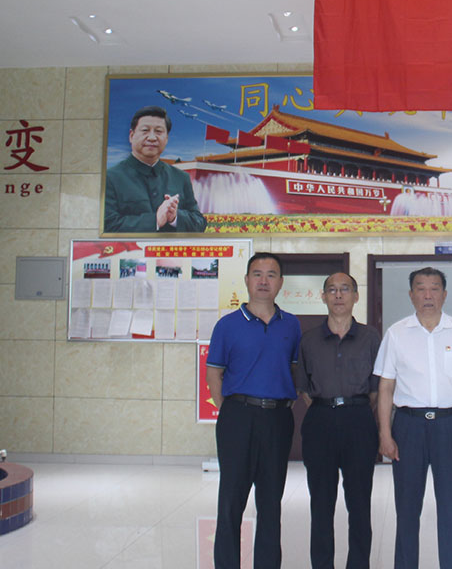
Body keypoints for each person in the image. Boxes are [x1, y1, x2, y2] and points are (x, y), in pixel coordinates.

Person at [374, 267, 452, 569]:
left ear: (444, 294)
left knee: (451, 508)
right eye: (421, 288)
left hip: (450, 425)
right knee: (406, 509)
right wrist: (385, 434)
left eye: (434, 288)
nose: (428, 295)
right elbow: (385, 388)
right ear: (411, 294)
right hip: (408, 426)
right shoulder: (396, 334)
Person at [205, 253, 301, 569]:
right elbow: (214, 373)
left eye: (271, 274)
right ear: (247, 280)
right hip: (238, 417)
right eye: (257, 274)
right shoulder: (227, 325)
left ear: (280, 282)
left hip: (278, 419)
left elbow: (293, 369)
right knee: (231, 501)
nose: (263, 280)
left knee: (271, 503)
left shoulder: (292, 325)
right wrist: (232, 411)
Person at [294, 272, 381, 569]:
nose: (339, 295)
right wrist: (329, 406)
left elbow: (376, 389)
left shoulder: (371, 337)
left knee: (359, 504)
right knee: (321, 504)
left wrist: (350, 408)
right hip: (320, 421)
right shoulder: (309, 340)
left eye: (345, 289)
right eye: (332, 290)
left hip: (359, 421)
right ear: (323, 296)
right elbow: (305, 389)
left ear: (356, 296)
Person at [104, 105, 207, 233]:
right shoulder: (110, 178)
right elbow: (107, 226)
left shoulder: (181, 177)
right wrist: (155, 221)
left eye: (158, 131)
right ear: (131, 136)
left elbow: (199, 223)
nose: (152, 137)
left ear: (166, 138)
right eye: (145, 130)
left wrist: (175, 217)